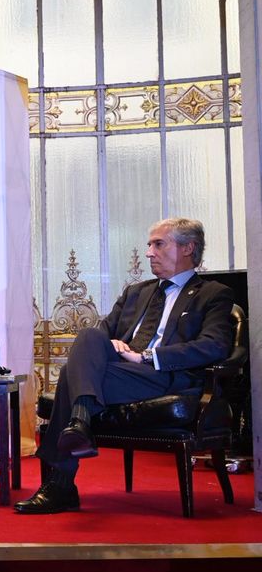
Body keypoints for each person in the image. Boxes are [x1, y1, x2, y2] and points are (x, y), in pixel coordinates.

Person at [15, 217, 234, 514]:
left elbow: (215, 345)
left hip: (165, 375)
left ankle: (62, 480)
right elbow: (101, 336)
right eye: (149, 245)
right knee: (90, 335)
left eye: (158, 244)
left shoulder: (213, 293)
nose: (149, 253)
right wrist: (115, 345)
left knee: (69, 374)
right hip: (122, 373)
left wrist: (147, 357)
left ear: (188, 248)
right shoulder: (137, 292)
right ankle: (78, 424)